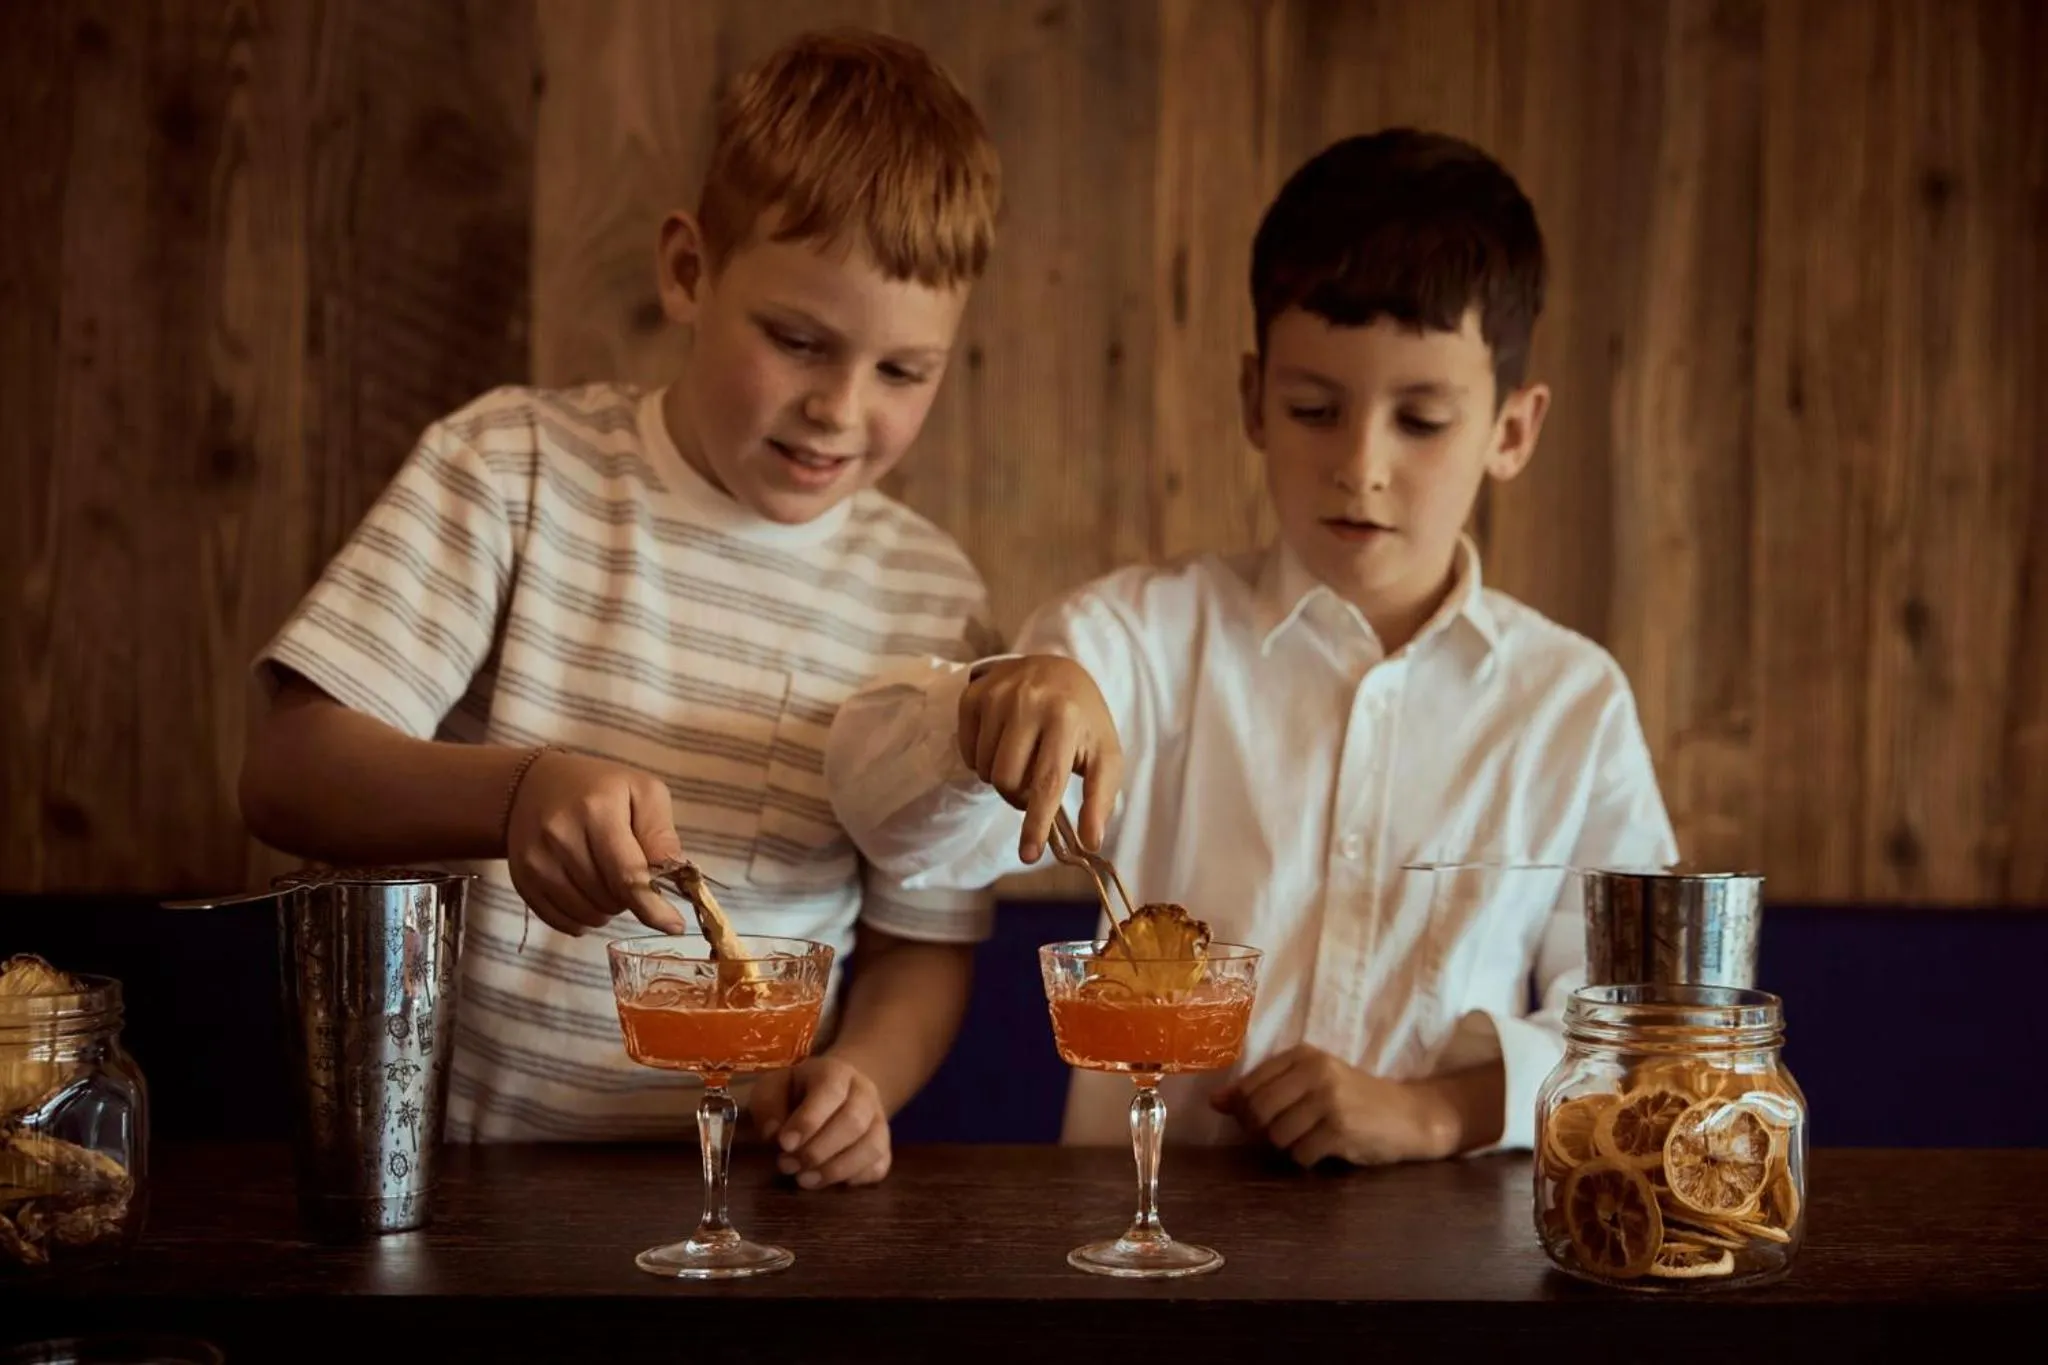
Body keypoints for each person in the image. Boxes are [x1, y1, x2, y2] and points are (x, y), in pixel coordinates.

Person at [237, 29, 1005, 1190]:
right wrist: (512, 794)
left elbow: (920, 943)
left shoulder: (932, 598)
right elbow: (287, 772)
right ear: (689, 272)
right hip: (467, 1184)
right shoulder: (513, 469)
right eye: (797, 341)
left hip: (749, 1197)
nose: (841, 411)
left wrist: (864, 1079)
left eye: (904, 373)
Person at [825, 128, 1678, 1165]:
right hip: (1146, 1254)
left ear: (1511, 429)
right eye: (1314, 409)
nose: (1359, 467)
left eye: (1419, 420)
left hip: (1453, 1274)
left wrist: (1439, 1111)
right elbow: (906, 843)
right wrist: (976, 715)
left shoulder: (1569, 704)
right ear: (1251, 400)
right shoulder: (1128, 641)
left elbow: (1646, 1025)